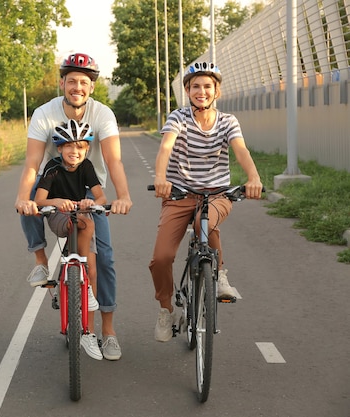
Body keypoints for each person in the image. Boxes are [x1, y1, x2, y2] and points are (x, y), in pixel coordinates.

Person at [14, 52, 133, 361]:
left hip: (89, 195)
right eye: (71, 81)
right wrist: (23, 197)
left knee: (104, 259)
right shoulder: (44, 113)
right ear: (62, 83)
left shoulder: (103, 114)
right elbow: (31, 162)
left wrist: (123, 196)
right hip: (54, 189)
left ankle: (108, 332)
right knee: (27, 200)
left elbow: (113, 159)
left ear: (91, 87)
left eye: (83, 82)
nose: (77, 87)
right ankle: (41, 261)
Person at [149, 62, 263, 342]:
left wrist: (254, 178)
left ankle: (219, 274)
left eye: (207, 86)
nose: (201, 91)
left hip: (216, 195)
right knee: (161, 258)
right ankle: (166, 310)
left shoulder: (228, 121)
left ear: (217, 91)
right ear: (187, 91)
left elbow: (241, 150)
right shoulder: (178, 118)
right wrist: (161, 178)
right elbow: (166, 147)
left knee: (206, 223)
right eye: (195, 86)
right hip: (178, 196)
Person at [34, 119, 107, 360]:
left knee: (94, 270)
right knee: (84, 223)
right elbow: (40, 200)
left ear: (86, 150)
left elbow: (100, 197)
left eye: (79, 147)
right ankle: (81, 273)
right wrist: (57, 202)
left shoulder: (86, 166)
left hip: (81, 213)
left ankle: (88, 328)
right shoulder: (52, 168)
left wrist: (90, 202)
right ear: (59, 149)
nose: (74, 152)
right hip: (58, 216)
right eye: (68, 147)